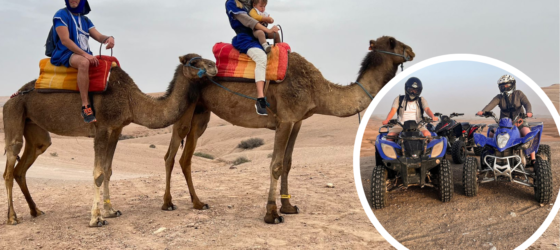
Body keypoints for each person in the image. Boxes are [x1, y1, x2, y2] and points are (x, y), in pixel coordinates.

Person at [50, 0, 115, 123]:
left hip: (84, 54)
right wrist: (85, 55)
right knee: (84, 63)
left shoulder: (85, 20)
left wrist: (109, 38)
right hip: (65, 53)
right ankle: (85, 106)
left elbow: (99, 37)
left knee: (107, 64)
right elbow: (65, 41)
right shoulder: (61, 15)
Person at [225, 0, 279, 116]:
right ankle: (260, 99)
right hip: (245, 39)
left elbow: (259, 17)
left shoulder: (252, 3)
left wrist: (268, 25)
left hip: (258, 37)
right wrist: (268, 30)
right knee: (261, 58)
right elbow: (248, 21)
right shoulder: (232, 3)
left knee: (278, 50)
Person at [476, 75, 535, 163]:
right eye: (502, 86)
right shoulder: (499, 97)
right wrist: (483, 111)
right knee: (491, 134)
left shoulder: (519, 94)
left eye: (506, 85)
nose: (504, 87)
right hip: (504, 124)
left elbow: (527, 103)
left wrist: (528, 111)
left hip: (519, 122)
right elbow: (490, 105)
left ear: (512, 84)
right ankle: (491, 156)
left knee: (527, 133)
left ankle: (533, 158)